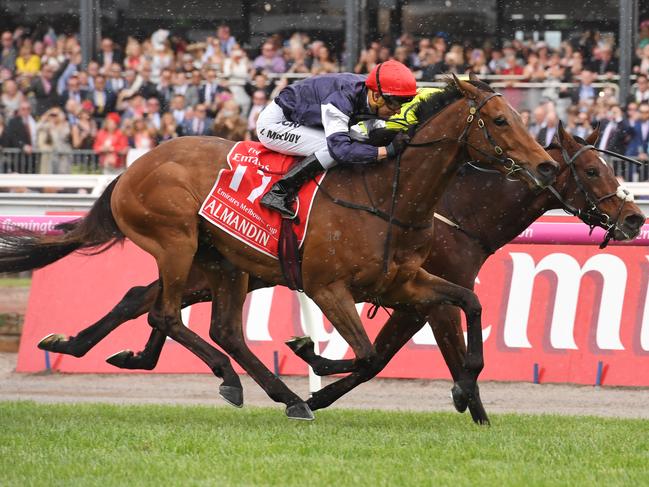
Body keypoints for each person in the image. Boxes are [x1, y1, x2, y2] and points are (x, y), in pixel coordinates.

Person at [257, 59, 416, 218]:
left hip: (304, 121)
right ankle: (279, 192)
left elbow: (371, 130)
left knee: (358, 140)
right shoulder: (341, 98)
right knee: (332, 148)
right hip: (275, 124)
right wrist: (385, 151)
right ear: (376, 96)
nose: (397, 111)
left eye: (402, 104)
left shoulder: (368, 93)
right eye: (395, 104)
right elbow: (340, 151)